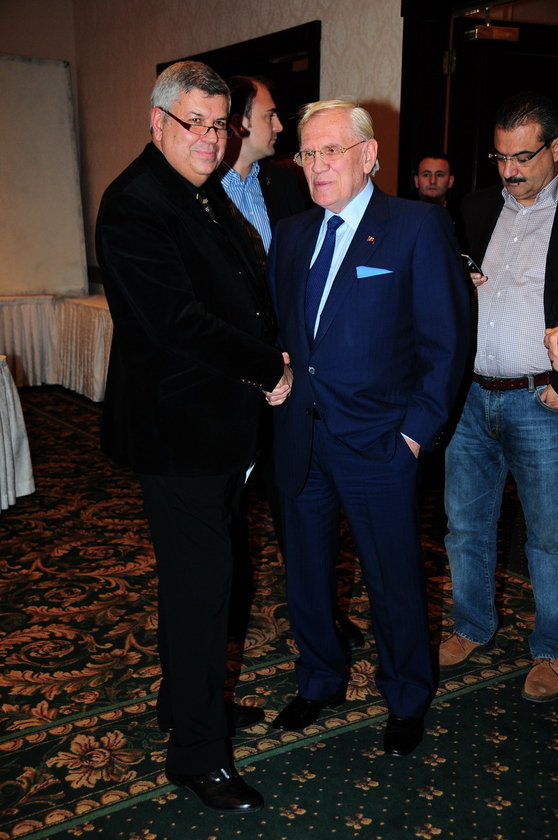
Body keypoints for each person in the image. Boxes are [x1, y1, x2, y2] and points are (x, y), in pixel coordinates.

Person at [96, 60, 292, 813]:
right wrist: (267, 368)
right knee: (204, 589)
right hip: (178, 434)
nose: (211, 139)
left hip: (218, 429)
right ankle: (198, 757)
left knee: (205, 582)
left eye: (219, 124)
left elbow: (240, 289)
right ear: (158, 122)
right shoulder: (135, 204)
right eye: (195, 124)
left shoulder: (197, 191)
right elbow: (177, 322)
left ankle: (184, 704)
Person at [267, 100, 469, 756]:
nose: (318, 165)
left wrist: (413, 436)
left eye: (331, 151)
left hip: (381, 443)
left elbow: (445, 343)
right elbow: (285, 333)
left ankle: (406, 695)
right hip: (301, 436)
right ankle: (320, 679)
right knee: (306, 574)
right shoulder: (291, 233)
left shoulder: (416, 226)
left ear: (369, 155)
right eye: (307, 153)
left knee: (393, 580)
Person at [221, 76, 364, 649]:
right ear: (239, 121)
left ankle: (320, 615)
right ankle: (227, 626)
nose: (280, 126)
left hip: (291, 379)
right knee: (227, 514)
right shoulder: (201, 191)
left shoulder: (285, 185)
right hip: (231, 380)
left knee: (299, 507)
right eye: (270, 115)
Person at [440, 91, 558, 704]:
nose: (509, 170)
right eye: (501, 157)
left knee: (549, 537)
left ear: (556, 149)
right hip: (471, 397)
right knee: (465, 525)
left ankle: (553, 649)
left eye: (523, 157)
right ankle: (471, 625)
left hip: (543, 401)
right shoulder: (478, 205)